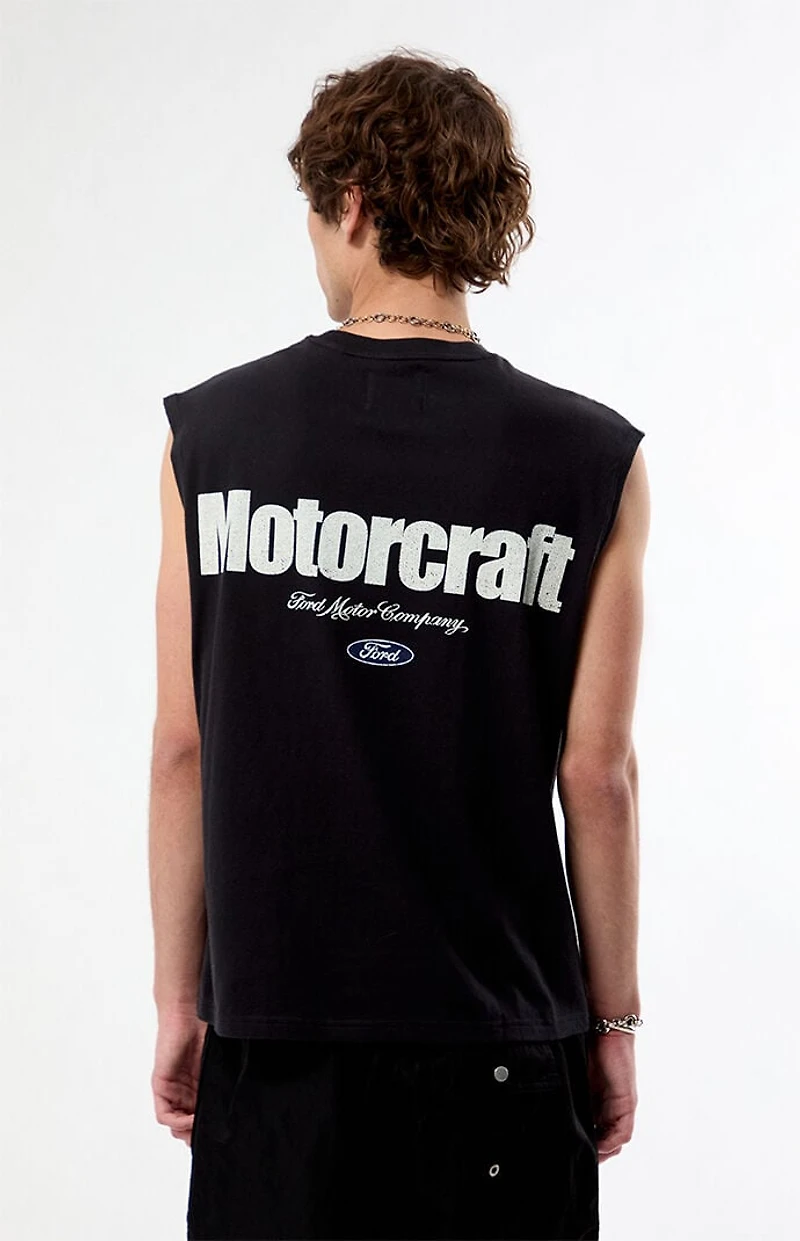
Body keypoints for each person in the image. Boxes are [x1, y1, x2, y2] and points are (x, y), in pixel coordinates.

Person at [149, 48, 649, 1241]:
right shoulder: (592, 459)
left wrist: (180, 997)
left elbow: (182, 746)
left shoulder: (210, 439)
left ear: (353, 201)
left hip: (275, 1039)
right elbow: (596, 774)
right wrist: (612, 1020)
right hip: (500, 1043)